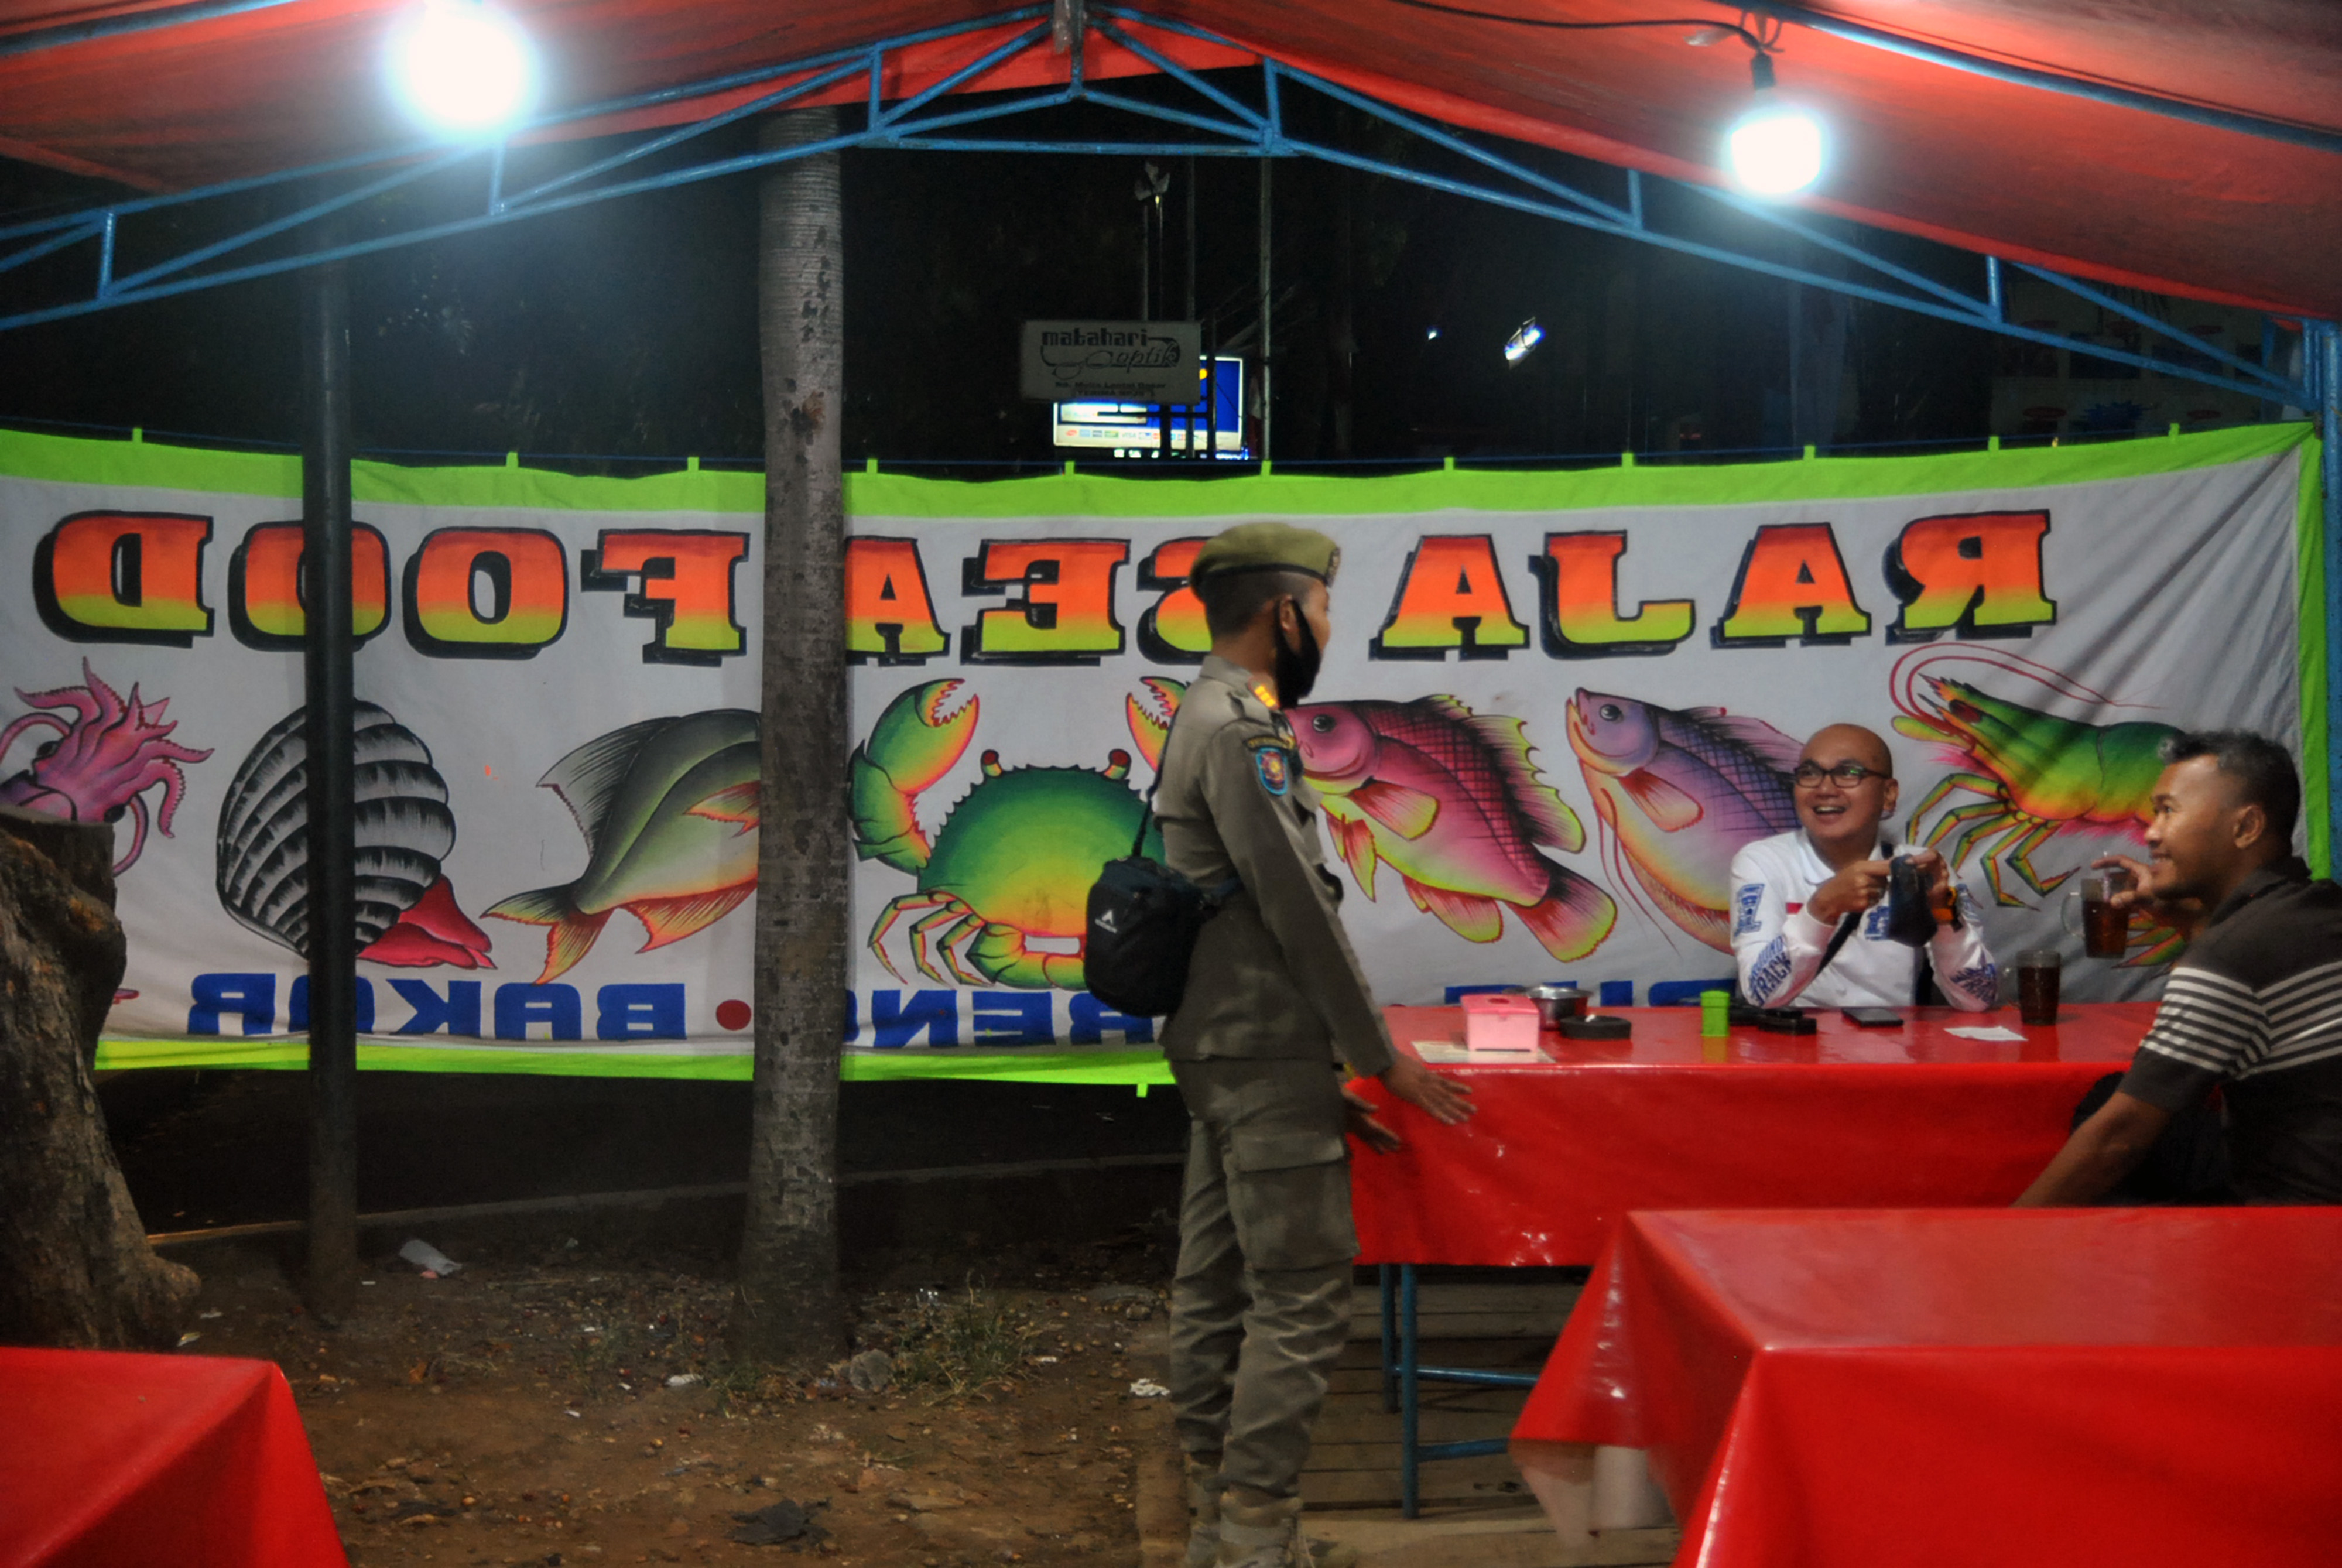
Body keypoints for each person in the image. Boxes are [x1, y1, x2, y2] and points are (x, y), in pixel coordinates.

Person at [1153, 521, 1475, 1568]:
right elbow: (1297, 907)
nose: (1330, 627)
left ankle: (1214, 1519)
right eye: (1325, 608)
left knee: (1215, 1282)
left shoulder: (1206, 711)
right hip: (1262, 1047)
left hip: (1225, 1048)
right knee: (1299, 1295)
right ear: (1284, 614)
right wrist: (1378, 1056)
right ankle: (1253, 1537)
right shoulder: (1240, 732)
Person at [2016, 731, 2342, 1207]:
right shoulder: (2319, 906)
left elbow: (2119, 1141)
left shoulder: (2230, 956)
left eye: (2169, 810)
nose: (2151, 833)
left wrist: (2003, 1236)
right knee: (2109, 1095)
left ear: (2246, 827)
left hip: (2299, 1213)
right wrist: (2186, 921)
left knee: (2109, 1142)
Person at [1729, 723, 1998, 1011]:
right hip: (1794, 1043)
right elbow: (1760, 994)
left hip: (1896, 1047)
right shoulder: (1763, 861)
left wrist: (1944, 915)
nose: (1825, 788)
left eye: (1848, 773)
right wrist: (1822, 909)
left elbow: (1977, 1000)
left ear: (1888, 794)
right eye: (1809, 773)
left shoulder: (1921, 869)